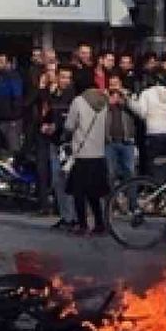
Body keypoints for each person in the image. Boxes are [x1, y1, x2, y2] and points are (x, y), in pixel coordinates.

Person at [63, 76, 110, 235]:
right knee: (94, 193)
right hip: (99, 153)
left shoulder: (78, 101)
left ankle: (82, 225)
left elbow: (69, 125)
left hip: (82, 153)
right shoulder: (103, 102)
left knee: (79, 192)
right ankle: (99, 223)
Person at [36, 65, 77, 228]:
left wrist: (56, 126)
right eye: (63, 77)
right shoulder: (52, 94)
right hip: (54, 143)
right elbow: (46, 112)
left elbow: (69, 118)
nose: (66, 80)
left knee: (68, 179)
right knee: (57, 180)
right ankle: (65, 216)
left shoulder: (72, 96)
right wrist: (45, 125)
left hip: (68, 144)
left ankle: (74, 217)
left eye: (68, 78)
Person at [131, 75, 166, 180]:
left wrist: (130, 102)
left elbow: (142, 113)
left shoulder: (146, 93)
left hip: (154, 133)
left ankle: (158, 187)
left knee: (156, 164)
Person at [0, 53, 25, 155]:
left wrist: (14, 117)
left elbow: (17, 98)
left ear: (8, 64)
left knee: (13, 149)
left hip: (11, 120)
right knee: (0, 150)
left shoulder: (14, 77)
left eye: (2, 62)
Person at [104, 74, 138, 185]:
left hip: (127, 142)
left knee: (130, 172)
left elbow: (137, 111)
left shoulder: (130, 96)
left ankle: (131, 196)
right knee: (110, 174)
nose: (114, 87)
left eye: (116, 84)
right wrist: (107, 103)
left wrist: (125, 99)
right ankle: (112, 196)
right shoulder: (104, 98)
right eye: (111, 85)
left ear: (121, 84)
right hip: (110, 142)